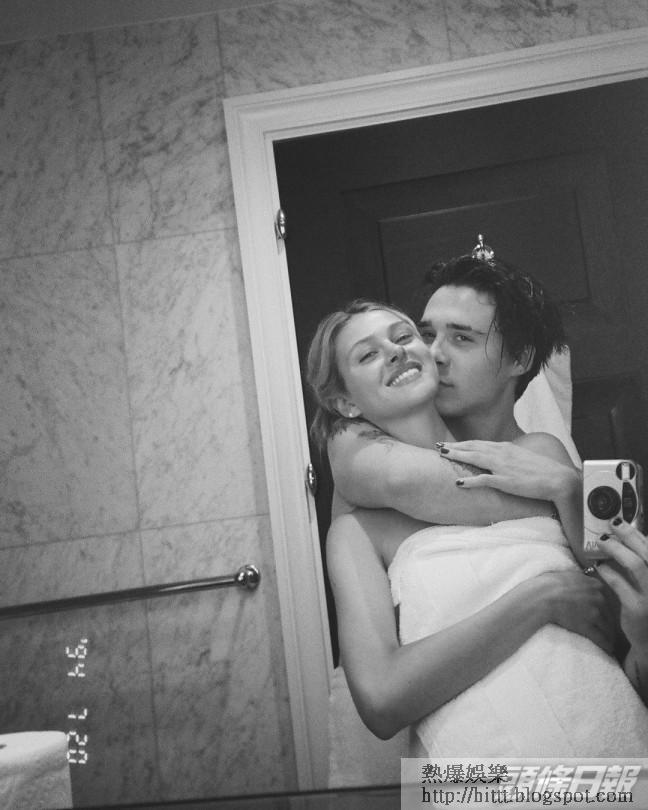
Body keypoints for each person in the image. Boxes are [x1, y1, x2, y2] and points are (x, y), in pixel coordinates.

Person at [306, 259, 648, 755]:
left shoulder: (549, 460)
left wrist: (568, 488)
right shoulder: (359, 507)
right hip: (477, 776)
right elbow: (379, 701)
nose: (432, 352)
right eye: (428, 333)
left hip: (611, 756)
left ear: (518, 359)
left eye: (461, 338)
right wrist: (542, 597)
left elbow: (622, 626)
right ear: (346, 402)